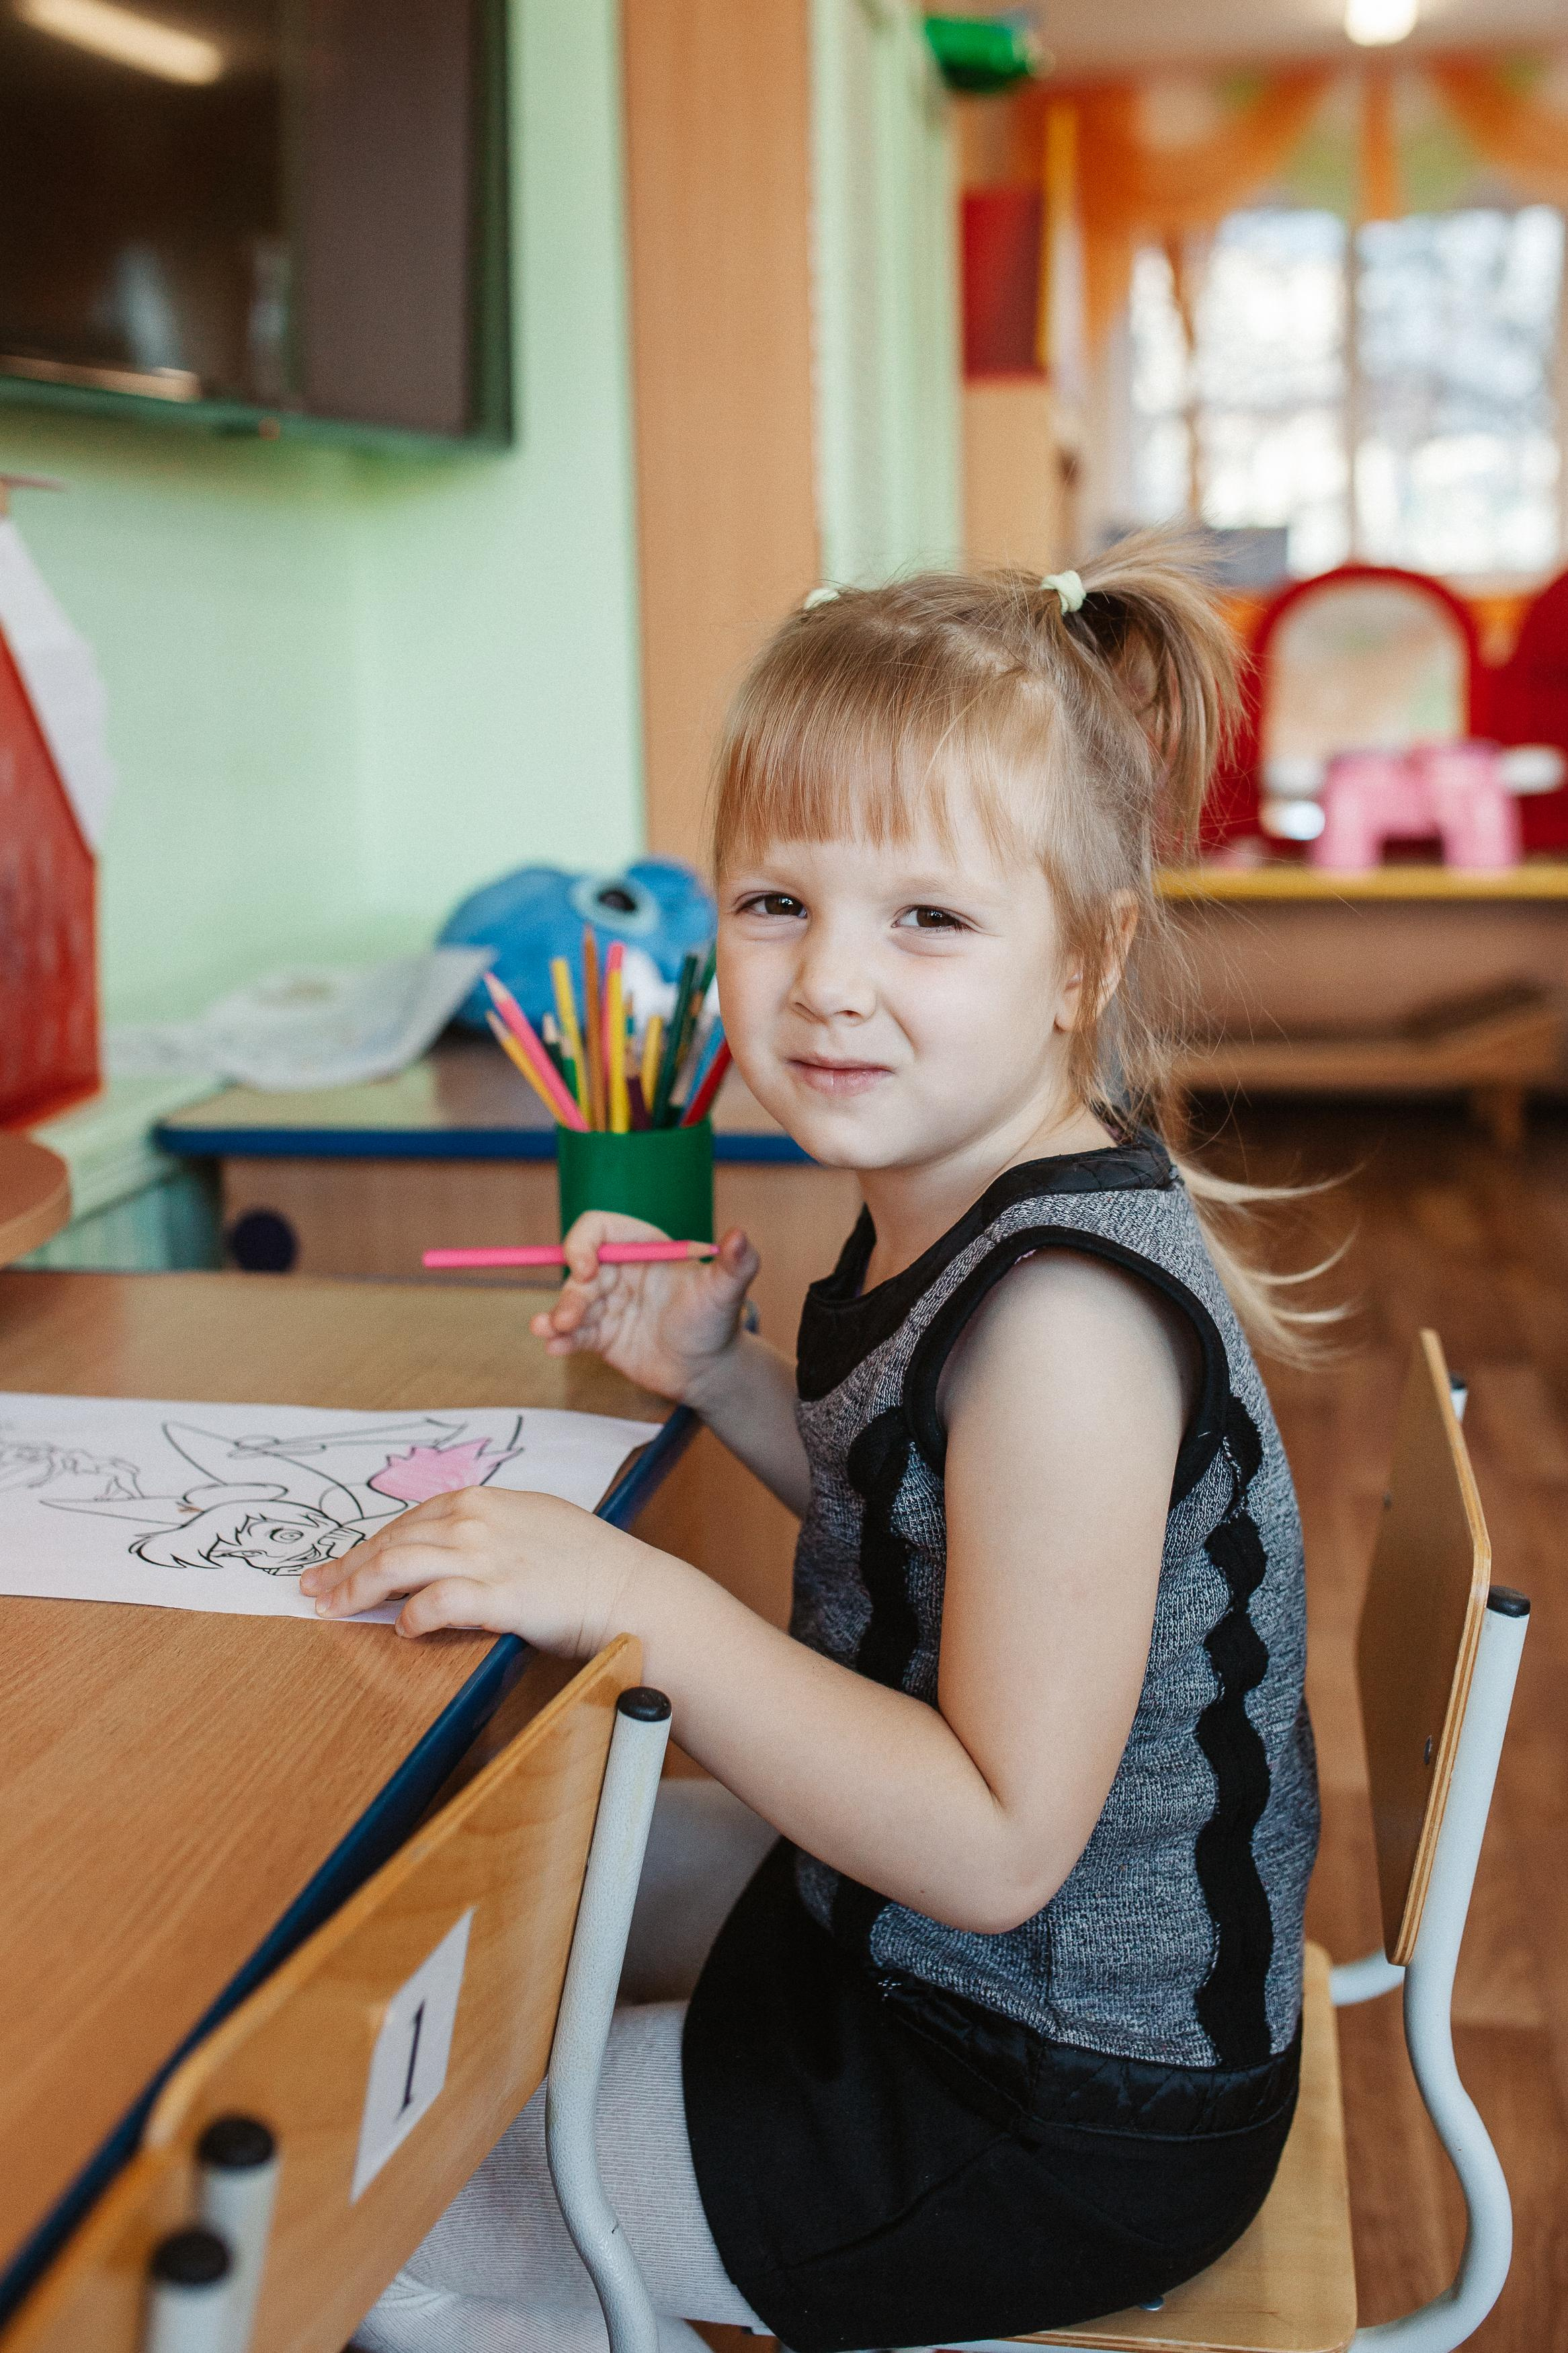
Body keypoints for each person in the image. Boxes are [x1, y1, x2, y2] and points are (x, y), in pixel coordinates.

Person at [318, 537, 1324, 2353]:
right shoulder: (949, 1201)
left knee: (377, 2216)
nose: (829, 981)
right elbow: (930, 1523)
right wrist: (731, 1387)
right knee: (494, 1902)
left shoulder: (1068, 1325)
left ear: (1083, 960)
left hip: (1047, 2103)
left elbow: (1000, 1841)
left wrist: (626, 1590)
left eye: (927, 917)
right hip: (939, 1968)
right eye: (777, 902)